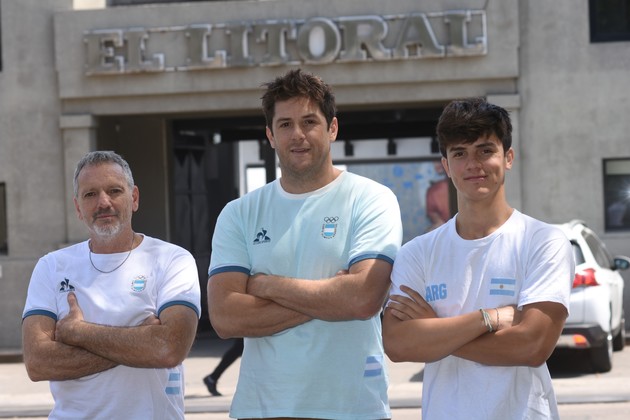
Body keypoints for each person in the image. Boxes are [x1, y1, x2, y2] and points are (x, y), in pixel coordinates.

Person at [207, 68, 403, 419]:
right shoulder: (239, 213)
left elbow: (363, 299)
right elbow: (225, 317)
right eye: (285, 124)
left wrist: (266, 285)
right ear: (270, 135)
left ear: (332, 128)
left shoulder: (371, 199)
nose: (297, 134)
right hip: (262, 409)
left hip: (353, 408)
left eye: (309, 122)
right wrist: (334, 297)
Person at [383, 97, 575, 419]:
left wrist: (435, 332)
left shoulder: (543, 242)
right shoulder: (417, 252)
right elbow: (398, 344)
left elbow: (533, 346)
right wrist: (489, 318)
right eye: (460, 153)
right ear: (446, 166)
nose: (473, 164)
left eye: (485, 150)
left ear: (508, 157)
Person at [21, 151, 201, 420]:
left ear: (134, 198)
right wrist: (141, 341)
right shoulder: (51, 266)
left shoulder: (172, 259)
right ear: (78, 207)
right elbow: (38, 363)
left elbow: (170, 348)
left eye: (114, 191)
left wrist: (78, 333)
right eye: (90, 194)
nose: (103, 202)